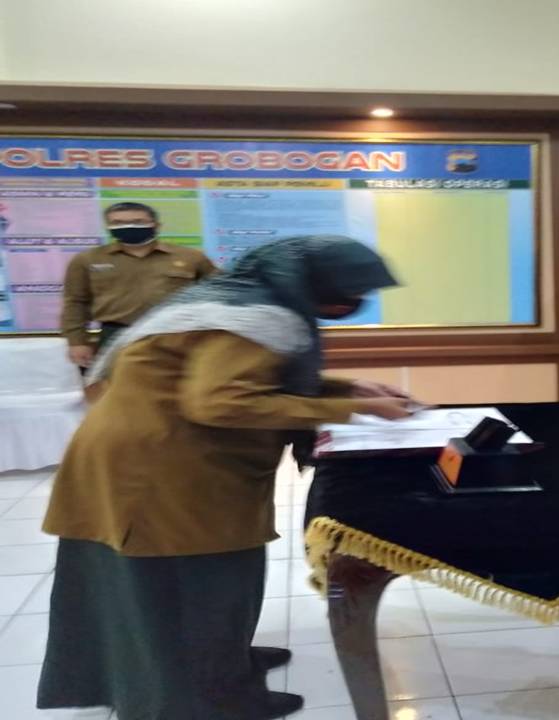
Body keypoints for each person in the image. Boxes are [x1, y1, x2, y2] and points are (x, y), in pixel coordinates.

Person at [38, 236, 421, 720]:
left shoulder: (228, 300)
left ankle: (228, 659)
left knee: (212, 582)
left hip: (155, 456)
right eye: (350, 292)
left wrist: (349, 387)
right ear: (316, 283)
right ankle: (214, 699)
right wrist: (351, 408)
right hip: (164, 469)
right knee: (198, 588)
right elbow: (220, 402)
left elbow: (242, 378)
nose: (355, 303)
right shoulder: (256, 318)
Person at [61, 201, 216, 369]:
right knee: (118, 383)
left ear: (156, 225)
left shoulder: (191, 257)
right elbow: (76, 302)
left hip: (178, 333)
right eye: (118, 223)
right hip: (116, 334)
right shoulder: (88, 259)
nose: (128, 227)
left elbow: (219, 295)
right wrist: (77, 342)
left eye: (138, 221)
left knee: (180, 382)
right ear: (108, 227)